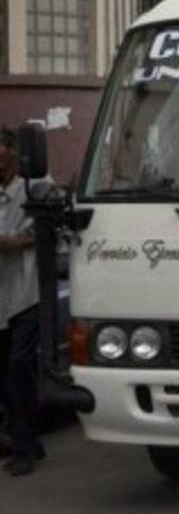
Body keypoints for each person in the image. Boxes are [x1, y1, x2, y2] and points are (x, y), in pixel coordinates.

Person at [0, 127, 45, 476]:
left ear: (12, 151)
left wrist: (15, 241)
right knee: (6, 373)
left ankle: (25, 447)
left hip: (28, 293)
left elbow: (47, 230)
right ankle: (25, 440)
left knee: (19, 367)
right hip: (3, 296)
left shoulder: (38, 186)